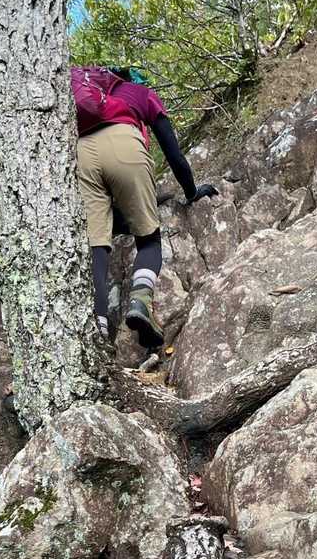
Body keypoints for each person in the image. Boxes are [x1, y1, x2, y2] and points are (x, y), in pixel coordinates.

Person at [72, 65, 216, 348]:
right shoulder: (141, 93)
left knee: (97, 247)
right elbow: (173, 154)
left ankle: (98, 330)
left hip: (81, 154)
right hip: (124, 143)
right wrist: (192, 192)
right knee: (149, 240)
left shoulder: (89, 100)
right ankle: (140, 302)